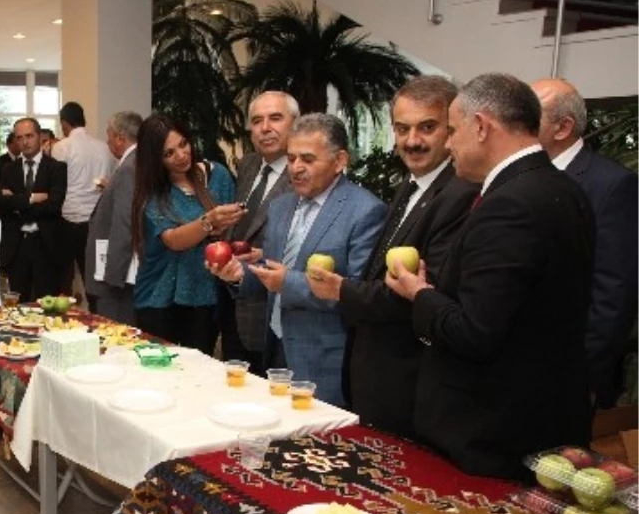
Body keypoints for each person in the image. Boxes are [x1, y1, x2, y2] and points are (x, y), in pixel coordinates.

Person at [386, 73, 595, 480]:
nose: (449, 144)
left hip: (493, 430)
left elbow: (474, 332)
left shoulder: (510, 204)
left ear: (481, 126)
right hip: (544, 414)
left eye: (452, 130)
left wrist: (420, 293)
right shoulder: (564, 188)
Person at [307, 77, 478, 438]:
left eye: (426, 127)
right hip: (378, 373)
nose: (412, 141)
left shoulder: (460, 193)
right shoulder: (411, 184)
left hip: (412, 377)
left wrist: (343, 290)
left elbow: (420, 293)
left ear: (452, 129)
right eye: (402, 129)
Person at [211, 114, 386, 406]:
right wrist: (240, 275)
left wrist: (287, 283)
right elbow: (272, 269)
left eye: (307, 159)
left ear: (340, 160)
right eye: (291, 159)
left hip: (324, 357)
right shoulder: (280, 207)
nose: (296, 168)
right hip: (274, 347)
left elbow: (358, 294)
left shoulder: (365, 212)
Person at [532, 77, 639, 410]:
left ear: (563, 128)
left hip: (569, 376)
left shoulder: (611, 186)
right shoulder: (521, 178)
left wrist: (584, 376)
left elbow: (613, 294)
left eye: (528, 116)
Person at [131, 114, 243, 354]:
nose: (182, 155)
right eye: (168, 153)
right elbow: (173, 239)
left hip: (205, 293)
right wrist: (209, 221)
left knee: (198, 368)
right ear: (155, 160)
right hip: (159, 296)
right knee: (159, 371)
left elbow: (234, 228)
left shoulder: (218, 176)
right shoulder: (154, 193)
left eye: (183, 144)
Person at [225, 91, 299, 372]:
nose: (265, 128)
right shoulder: (249, 165)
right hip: (231, 297)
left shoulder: (304, 175)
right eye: (257, 121)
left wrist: (263, 257)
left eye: (275, 118)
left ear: (295, 122)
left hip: (271, 312)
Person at [0, 117, 68, 301]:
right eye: (19, 138)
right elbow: (2, 206)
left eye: (29, 136)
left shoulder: (56, 168)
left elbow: (53, 206)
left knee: (47, 305)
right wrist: (32, 198)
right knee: (18, 307)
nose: (25, 142)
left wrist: (18, 204)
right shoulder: (7, 169)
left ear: (40, 137)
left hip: (46, 246)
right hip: (16, 246)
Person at [52, 102, 117, 296]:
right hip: (97, 220)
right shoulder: (104, 147)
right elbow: (110, 182)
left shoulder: (62, 147)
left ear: (64, 123)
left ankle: (64, 319)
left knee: (63, 278)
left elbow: (56, 185)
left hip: (68, 219)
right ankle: (98, 319)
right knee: (95, 278)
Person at [84, 111, 142, 324]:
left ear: (120, 138)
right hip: (121, 273)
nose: (107, 141)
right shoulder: (134, 163)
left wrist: (112, 278)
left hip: (118, 279)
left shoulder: (129, 168)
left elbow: (124, 225)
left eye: (108, 135)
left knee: (114, 334)